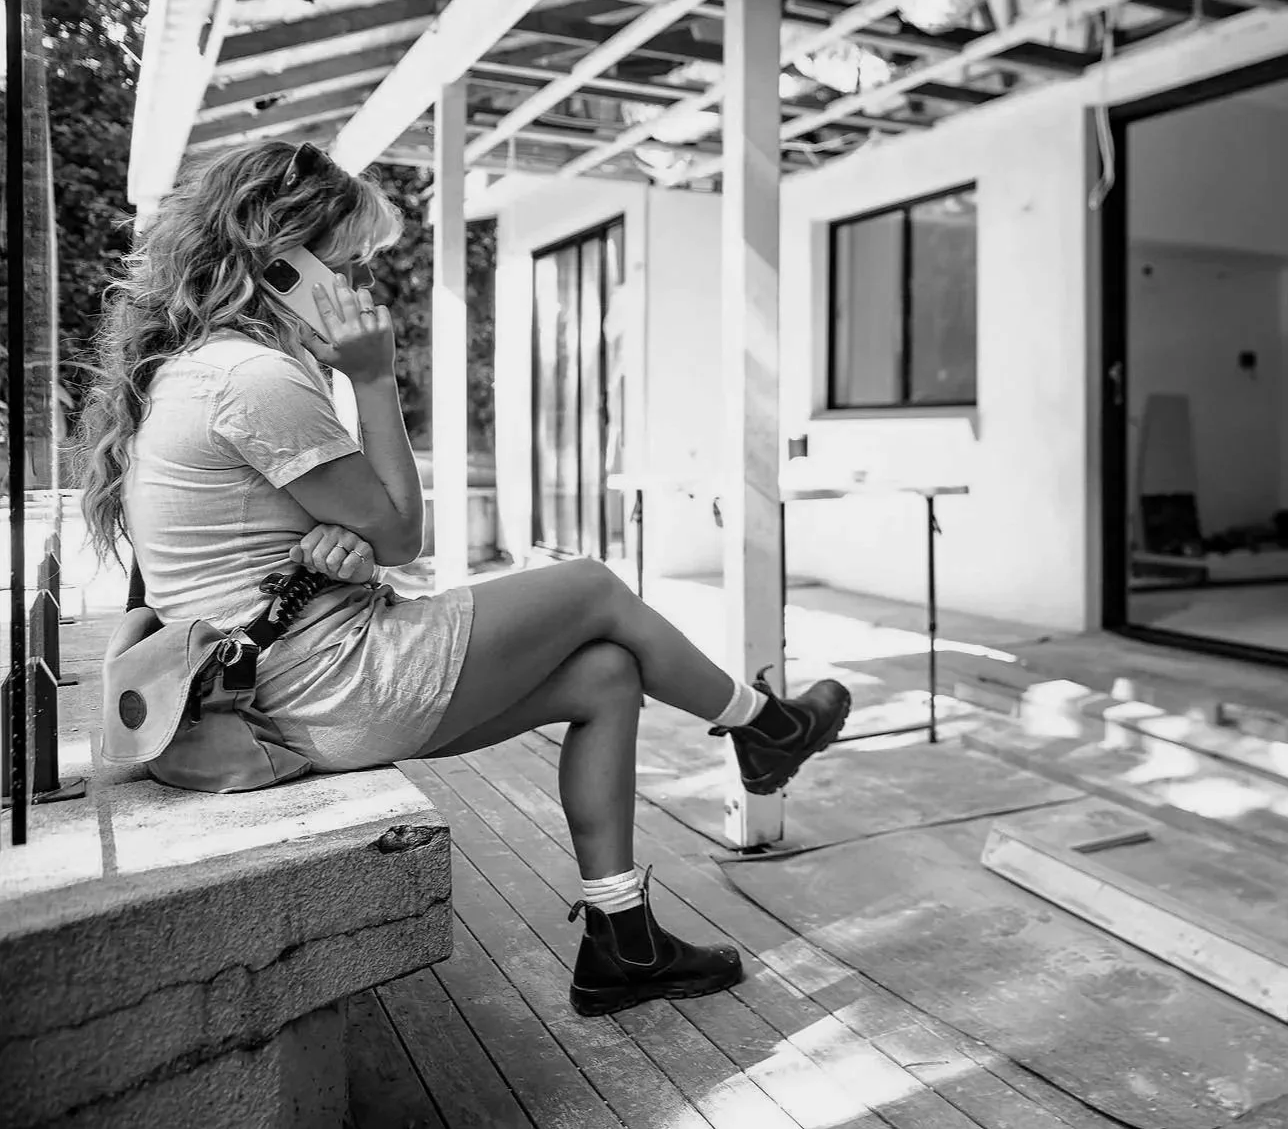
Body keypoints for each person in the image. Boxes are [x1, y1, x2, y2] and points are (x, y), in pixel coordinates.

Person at [76, 140, 850, 1016]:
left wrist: (340, 544)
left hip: (274, 685)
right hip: (326, 685)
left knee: (606, 675)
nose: (363, 286)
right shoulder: (251, 377)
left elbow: (300, 533)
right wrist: (375, 380)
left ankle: (622, 940)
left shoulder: (200, 366)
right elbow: (402, 533)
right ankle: (764, 726)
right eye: (350, 263)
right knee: (591, 586)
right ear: (283, 262)